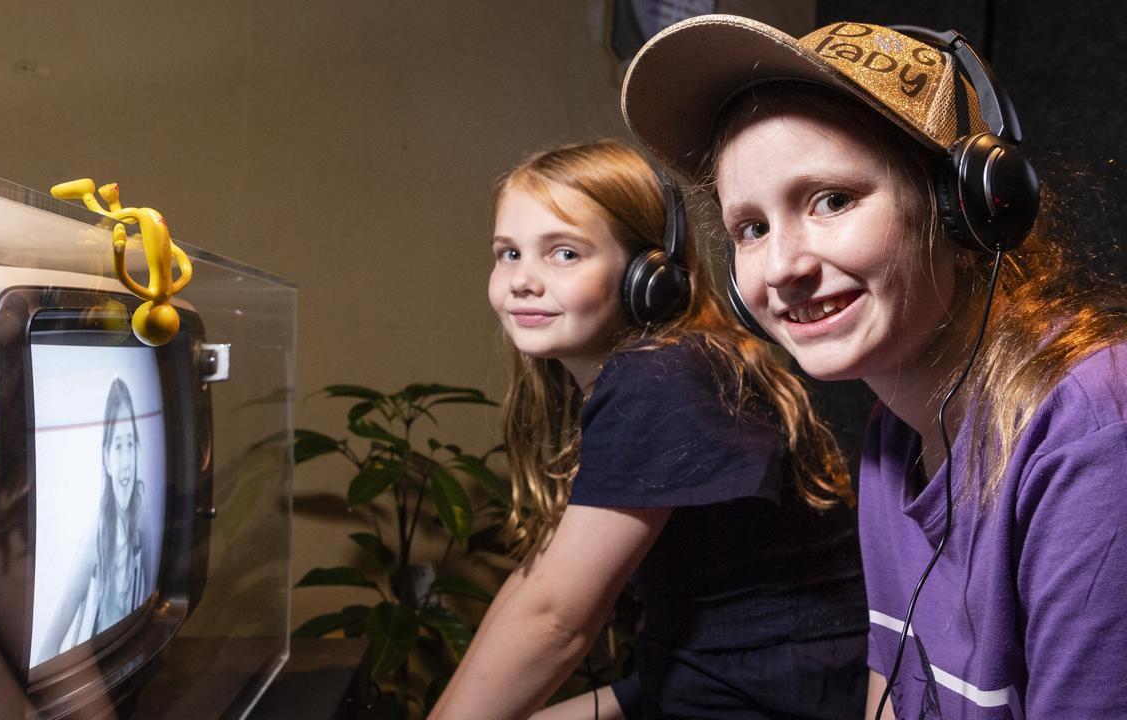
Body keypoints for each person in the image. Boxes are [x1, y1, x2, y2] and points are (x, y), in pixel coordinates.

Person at [621, 15, 1127, 719]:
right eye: (752, 228)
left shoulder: (1094, 438)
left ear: (964, 210)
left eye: (832, 200)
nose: (782, 267)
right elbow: (889, 694)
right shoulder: (895, 436)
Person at [428, 139, 868, 720]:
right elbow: (537, 585)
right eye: (508, 254)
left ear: (647, 274)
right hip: (695, 673)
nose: (523, 280)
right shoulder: (650, 371)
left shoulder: (661, 378)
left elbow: (556, 619)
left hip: (775, 693)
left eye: (564, 254)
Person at [39, 377, 153, 658]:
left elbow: (155, 605)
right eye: (117, 446)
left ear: (138, 450)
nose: (126, 459)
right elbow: (49, 645)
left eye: (130, 444)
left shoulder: (143, 512)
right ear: (106, 459)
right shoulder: (97, 533)